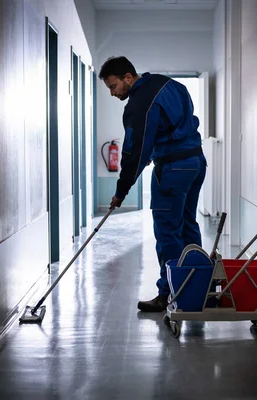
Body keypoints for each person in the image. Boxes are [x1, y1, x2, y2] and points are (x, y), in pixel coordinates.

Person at [99, 56, 207, 312]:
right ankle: (198, 289)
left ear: (128, 77)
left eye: (113, 87)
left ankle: (168, 293)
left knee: (168, 232)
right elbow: (169, 127)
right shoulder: (167, 83)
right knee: (188, 225)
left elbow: (134, 151)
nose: (113, 94)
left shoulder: (139, 104)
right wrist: (153, 151)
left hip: (172, 169)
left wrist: (121, 190)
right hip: (195, 162)